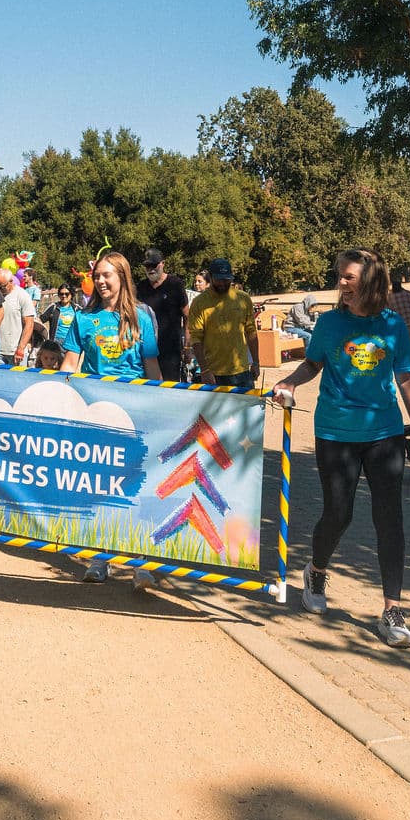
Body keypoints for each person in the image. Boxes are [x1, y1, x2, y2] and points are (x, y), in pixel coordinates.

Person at [272, 248, 410, 648]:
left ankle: (392, 609)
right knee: (338, 514)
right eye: (340, 275)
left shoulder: (392, 325)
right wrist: (289, 381)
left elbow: (406, 378)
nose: (340, 283)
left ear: (371, 281)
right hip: (336, 432)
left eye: (349, 277)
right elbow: (313, 364)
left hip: (385, 433)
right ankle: (316, 570)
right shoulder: (329, 322)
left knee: (389, 517)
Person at [60, 251, 161, 584]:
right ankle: (99, 559)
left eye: (108, 275)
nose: (101, 281)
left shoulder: (141, 319)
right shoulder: (83, 320)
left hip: (134, 414)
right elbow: (69, 366)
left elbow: (152, 369)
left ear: (122, 277)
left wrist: (162, 403)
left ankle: (140, 563)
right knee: (99, 486)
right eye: (98, 276)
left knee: (136, 485)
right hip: (96, 414)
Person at [187, 258, 259, 390]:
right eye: (219, 279)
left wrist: (256, 362)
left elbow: (251, 331)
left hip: (241, 372)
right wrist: (204, 370)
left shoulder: (243, 299)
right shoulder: (199, 303)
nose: (222, 283)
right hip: (213, 373)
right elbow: (196, 338)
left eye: (226, 279)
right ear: (211, 277)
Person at [136, 249, 189, 382]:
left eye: (154, 265)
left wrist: (187, 346)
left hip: (171, 352)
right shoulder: (140, 287)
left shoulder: (175, 284)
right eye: (147, 266)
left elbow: (187, 316)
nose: (151, 269)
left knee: (170, 391)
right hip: (146, 351)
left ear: (163, 264)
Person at [0, 268, 36, 366]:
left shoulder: (22, 296)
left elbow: (29, 324)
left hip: (16, 353)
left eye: (2, 286)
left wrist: (20, 349)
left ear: (11, 281)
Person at [388, 274, 410, 355]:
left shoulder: (389, 297)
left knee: (400, 345)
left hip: (397, 325)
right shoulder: (409, 294)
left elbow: (386, 310)